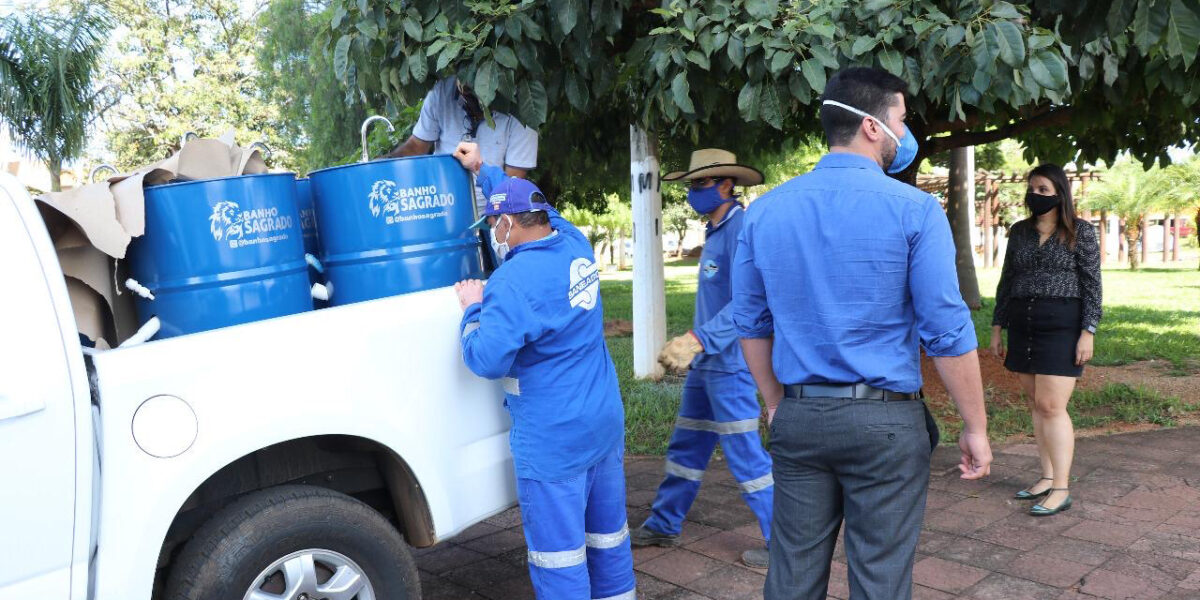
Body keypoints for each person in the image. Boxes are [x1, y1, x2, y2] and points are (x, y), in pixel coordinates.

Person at [730, 67, 993, 600]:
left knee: (792, 573)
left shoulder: (765, 212)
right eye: (901, 118)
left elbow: (751, 322)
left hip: (800, 418)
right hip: (886, 424)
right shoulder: (915, 210)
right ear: (873, 126)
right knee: (880, 577)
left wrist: (776, 402)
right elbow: (945, 329)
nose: (905, 132)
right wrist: (975, 426)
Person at [451, 141, 636, 600]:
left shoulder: (510, 282)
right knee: (608, 540)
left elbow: (486, 359)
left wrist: (473, 309)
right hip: (602, 423)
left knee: (560, 560)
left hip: (555, 442)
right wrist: (485, 171)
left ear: (508, 223)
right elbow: (538, 205)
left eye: (494, 224)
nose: (493, 233)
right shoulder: (574, 241)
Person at [629, 149, 774, 569]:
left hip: (731, 365)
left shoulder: (741, 230)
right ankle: (664, 524)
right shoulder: (716, 231)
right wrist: (698, 347)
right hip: (707, 364)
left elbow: (749, 303)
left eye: (702, 184)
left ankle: (785, 545)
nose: (693, 192)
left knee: (747, 457)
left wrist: (696, 340)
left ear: (727, 184)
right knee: (687, 447)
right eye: (691, 185)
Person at [990, 164, 1102, 517]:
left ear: (1059, 193)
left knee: (1053, 407)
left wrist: (1088, 331)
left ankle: (1062, 488)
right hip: (1024, 323)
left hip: (1062, 325)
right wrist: (997, 326)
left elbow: (1092, 284)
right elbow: (1007, 280)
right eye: (1032, 188)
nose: (1034, 195)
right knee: (1037, 404)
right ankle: (1047, 475)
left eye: (1043, 189)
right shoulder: (1019, 232)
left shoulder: (1079, 232)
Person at [385, 76, 538, 207]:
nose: (473, 106)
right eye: (466, 97)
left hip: (492, 214)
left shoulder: (522, 113)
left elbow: (512, 188)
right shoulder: (442, 92)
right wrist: (383, 164)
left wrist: (478, 167)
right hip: (443, 208)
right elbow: (416, 146)